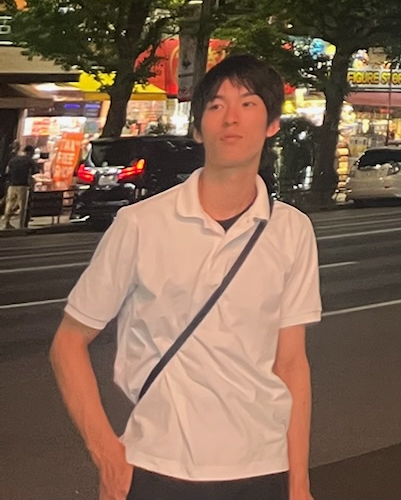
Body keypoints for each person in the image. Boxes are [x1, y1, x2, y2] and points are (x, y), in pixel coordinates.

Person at [51, 53, 320, 500]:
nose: (231, 118)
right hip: (157, 467)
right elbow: (69, 341)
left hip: (262, 468)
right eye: (215, 106)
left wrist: (299, 482)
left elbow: (290, 363)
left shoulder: (291, 231)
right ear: (198, 127)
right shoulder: (141, 225)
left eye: (249, 104)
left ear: (273, 123)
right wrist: (107, 455)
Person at [3, 141, 37, 231]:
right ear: (30, 152)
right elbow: (34, 172)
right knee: (22, 207)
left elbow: (7, 172)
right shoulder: (29, 160)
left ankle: (6, 223)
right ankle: (21, 226)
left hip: (12, 185)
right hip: (23, 185)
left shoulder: (13, 160)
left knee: (9, 204)